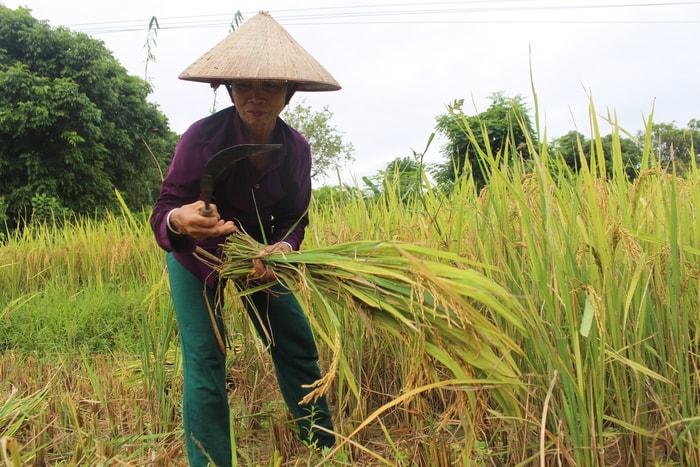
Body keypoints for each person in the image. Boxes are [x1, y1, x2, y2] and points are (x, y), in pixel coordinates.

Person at [150, 12, 341, 466]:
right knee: (206, 356)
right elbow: (165, 208)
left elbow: (294, 215)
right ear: (230, 90)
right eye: (244, 86)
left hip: (256, 259)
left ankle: (322, 446)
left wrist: (282, 248)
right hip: (196, 256)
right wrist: (180, 220)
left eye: (270, 87)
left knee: (295, 339)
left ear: (288, 95)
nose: (256, 96)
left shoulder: (295, 148)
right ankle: (210, 461)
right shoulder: (201, 138)